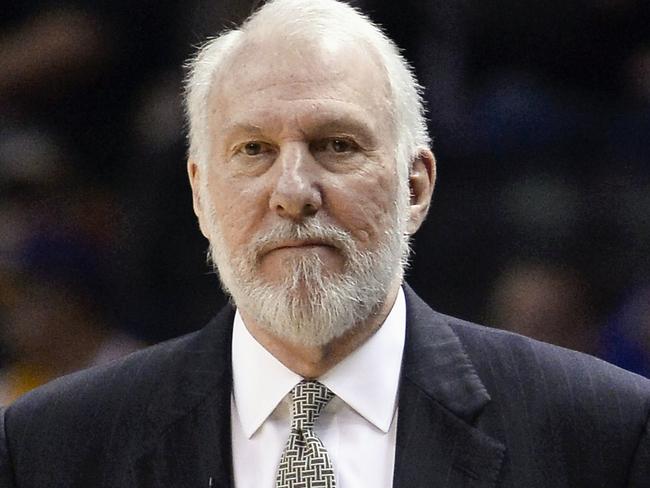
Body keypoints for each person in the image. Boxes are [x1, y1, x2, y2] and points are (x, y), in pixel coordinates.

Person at [1, 0, 648, 486]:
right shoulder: (49, 448)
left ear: (416, 187)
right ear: (200, 195)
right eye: (253, 150)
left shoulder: (601, 432)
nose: (293, 191)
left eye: (336, 145)